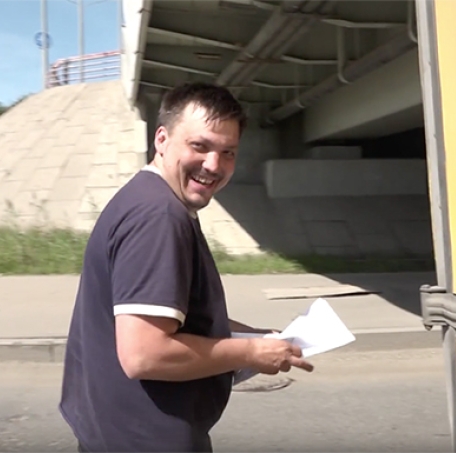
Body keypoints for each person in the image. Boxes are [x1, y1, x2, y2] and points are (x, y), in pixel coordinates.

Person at [59, 82, 314, 453]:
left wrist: (258, 337)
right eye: (200, 146)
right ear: (161, 139)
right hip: (146, 439)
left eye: (228, 152)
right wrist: (251, 354)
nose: (214, 165)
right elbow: (144, 353)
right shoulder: (159, 216)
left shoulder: (145, 199)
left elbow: (175, 319)